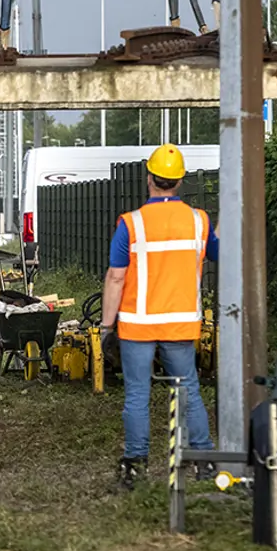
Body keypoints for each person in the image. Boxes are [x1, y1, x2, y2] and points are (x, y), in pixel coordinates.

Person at [101, 146, 220, 490]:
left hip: (137, 325)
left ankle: (135, 467)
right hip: (181, 323)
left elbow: (116, 277)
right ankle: (204, 461)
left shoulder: (131, 223)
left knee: (137, 396)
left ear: (149, 178)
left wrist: (107, 325)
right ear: (180, 181)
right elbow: (217, 252)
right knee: (188, 390)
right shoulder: (199, 221)